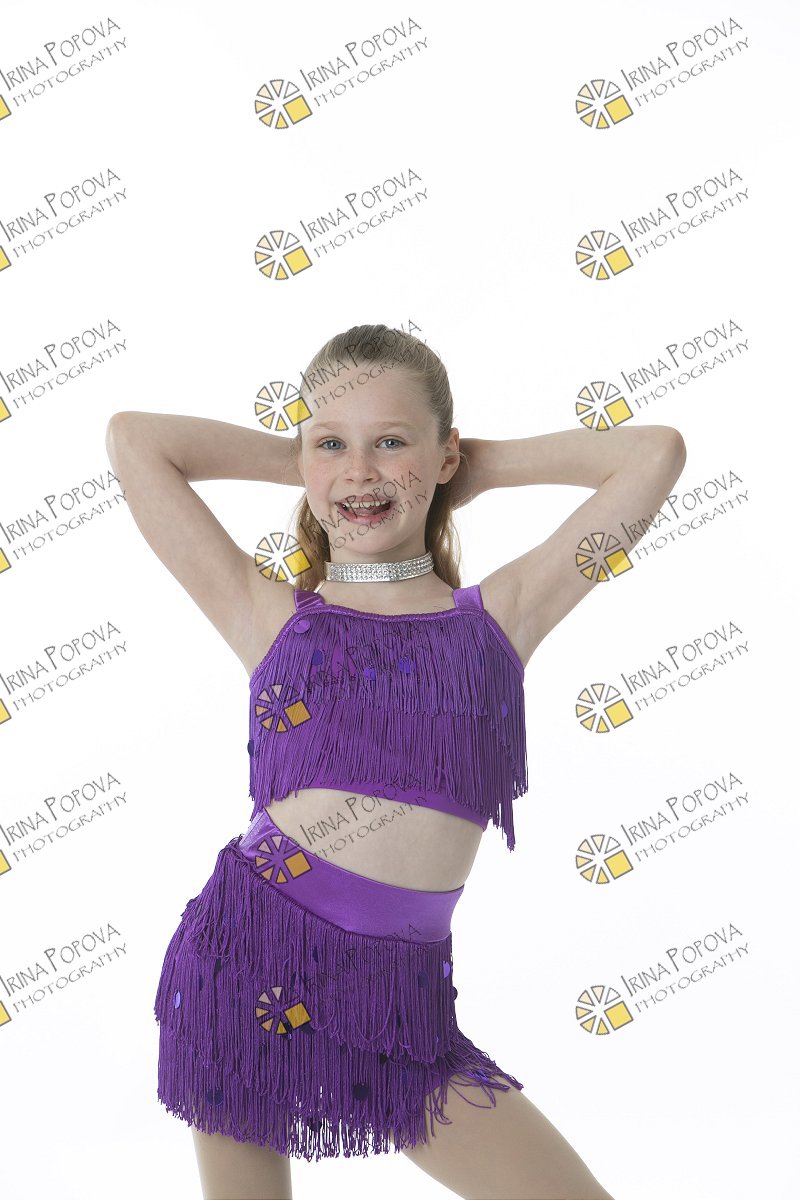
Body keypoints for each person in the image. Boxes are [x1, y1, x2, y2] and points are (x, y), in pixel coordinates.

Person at [105, 324, 685, 1200]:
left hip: (401, 1004)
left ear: (446, 455)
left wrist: (474, 467)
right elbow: (135, 439)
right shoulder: (270, 617)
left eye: (391, 443)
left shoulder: (502, 616)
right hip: (245, 959)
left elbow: (654, 454)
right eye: (332, 444)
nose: (361, 472)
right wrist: (309, 459)